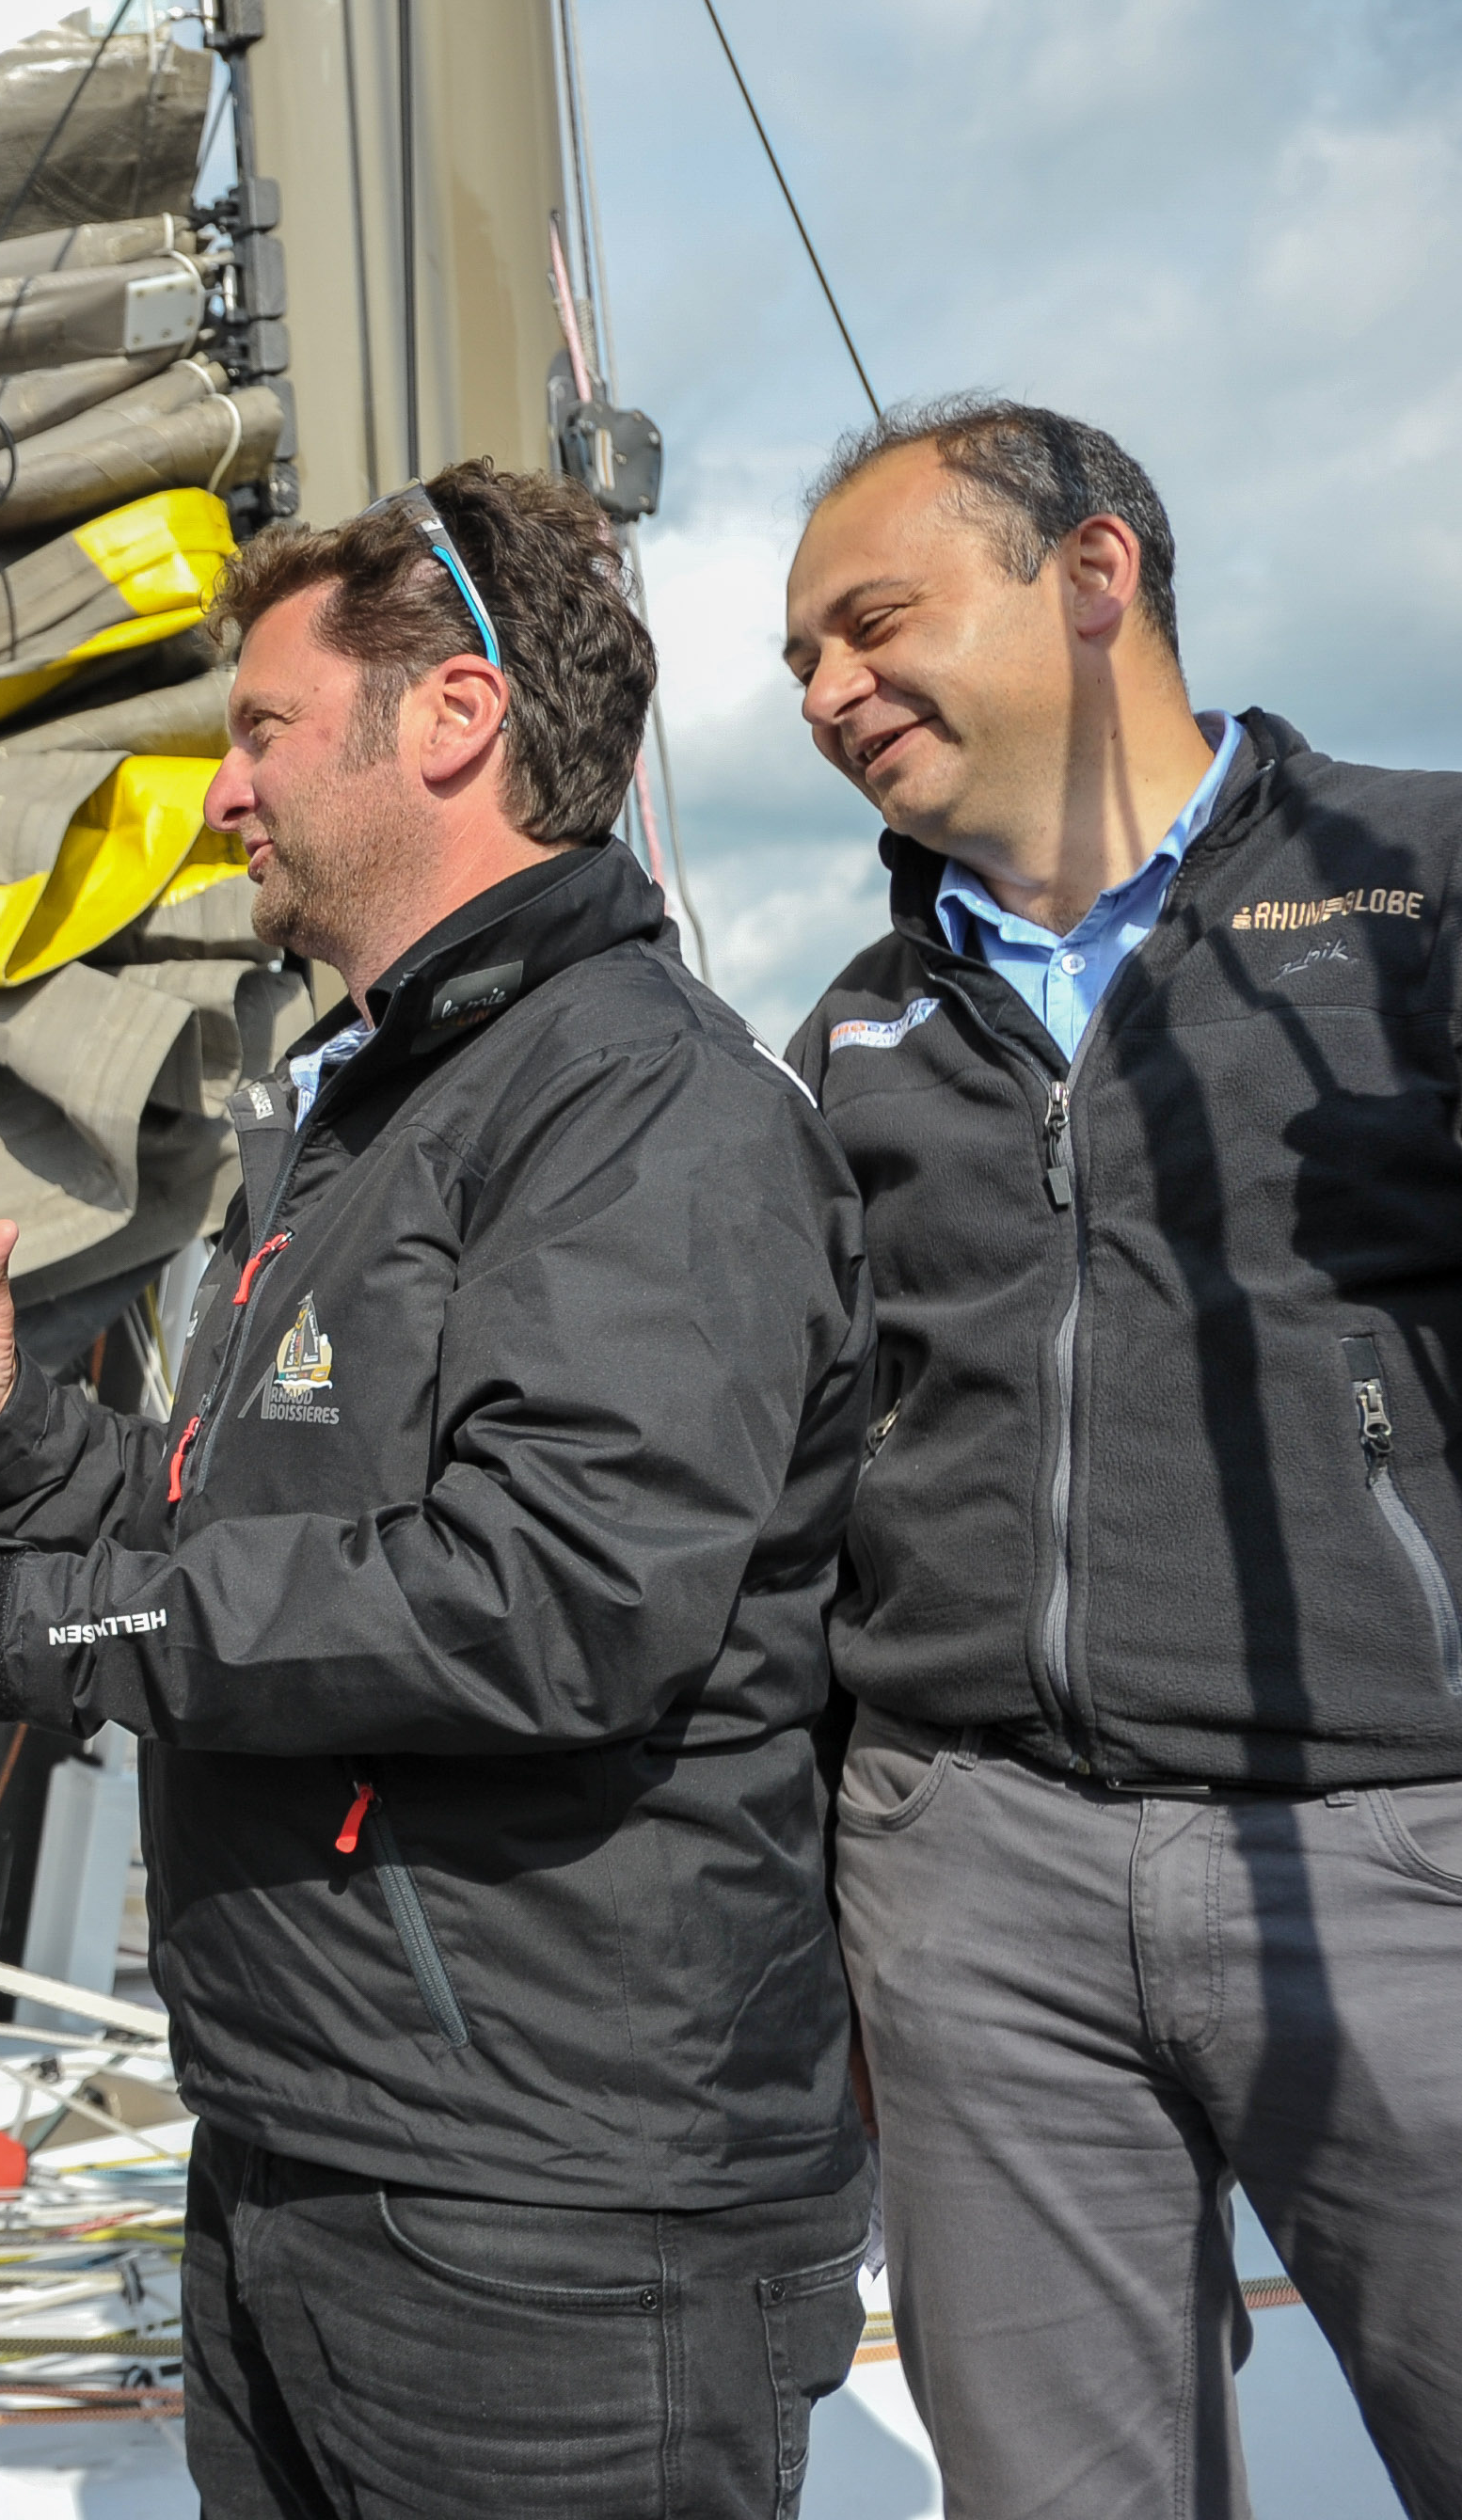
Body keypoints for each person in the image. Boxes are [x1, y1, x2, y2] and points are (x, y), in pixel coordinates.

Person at [0, 461, 877, 2519]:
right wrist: (10, 1431)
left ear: (452, 717)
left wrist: (7, 1633)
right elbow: (253, 1530)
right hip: (314, 2136)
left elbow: (546, 1602)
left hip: (550, 2210)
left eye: (263, 730)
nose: (221, 795)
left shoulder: (644, 1104)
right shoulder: (388, 1105)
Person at [779, 398, 1462, 2519]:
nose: (826, 694)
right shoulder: (851, 1032)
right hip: (972, 1883)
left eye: (871, 623)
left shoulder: (1422, 889)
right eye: (797, 664)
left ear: (1094, 575)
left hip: (1399, 1854)